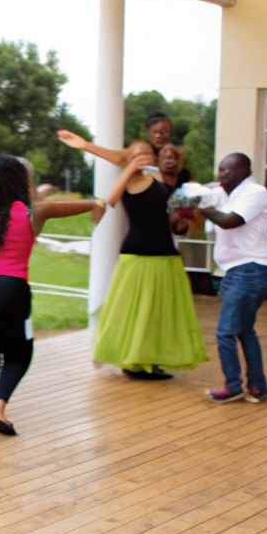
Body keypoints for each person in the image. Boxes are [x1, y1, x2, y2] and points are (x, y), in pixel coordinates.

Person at [0, 155, 105, 435]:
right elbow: (84, 206)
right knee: (19, 355)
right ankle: (0, 410)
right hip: (9, 290)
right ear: (22, 181)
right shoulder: (35, 211)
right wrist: (99, 205)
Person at [88, 145, 207, 380]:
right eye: (139, 155)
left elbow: (173, 223)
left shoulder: (158, 182)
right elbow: (109, 201)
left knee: (158, 313)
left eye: (148, 156)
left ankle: (150, 360)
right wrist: (130, 166)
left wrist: (184, 218)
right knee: (135, 312)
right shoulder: (127, 183)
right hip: (138, 255)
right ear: (129, 160)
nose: (146, 159)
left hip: (165, 254)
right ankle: (134, 362)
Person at [203, 153, 267, 404]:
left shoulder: (255, 192)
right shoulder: (228, 195)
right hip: (238, 269)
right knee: (245, 331)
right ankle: (258, 387)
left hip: (249, 269)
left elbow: (229, 221)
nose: (221, 174)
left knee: (225, 332)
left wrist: (203, 207)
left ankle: (233, 387)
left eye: (227, 170)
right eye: (220, 170)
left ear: (244, 170)